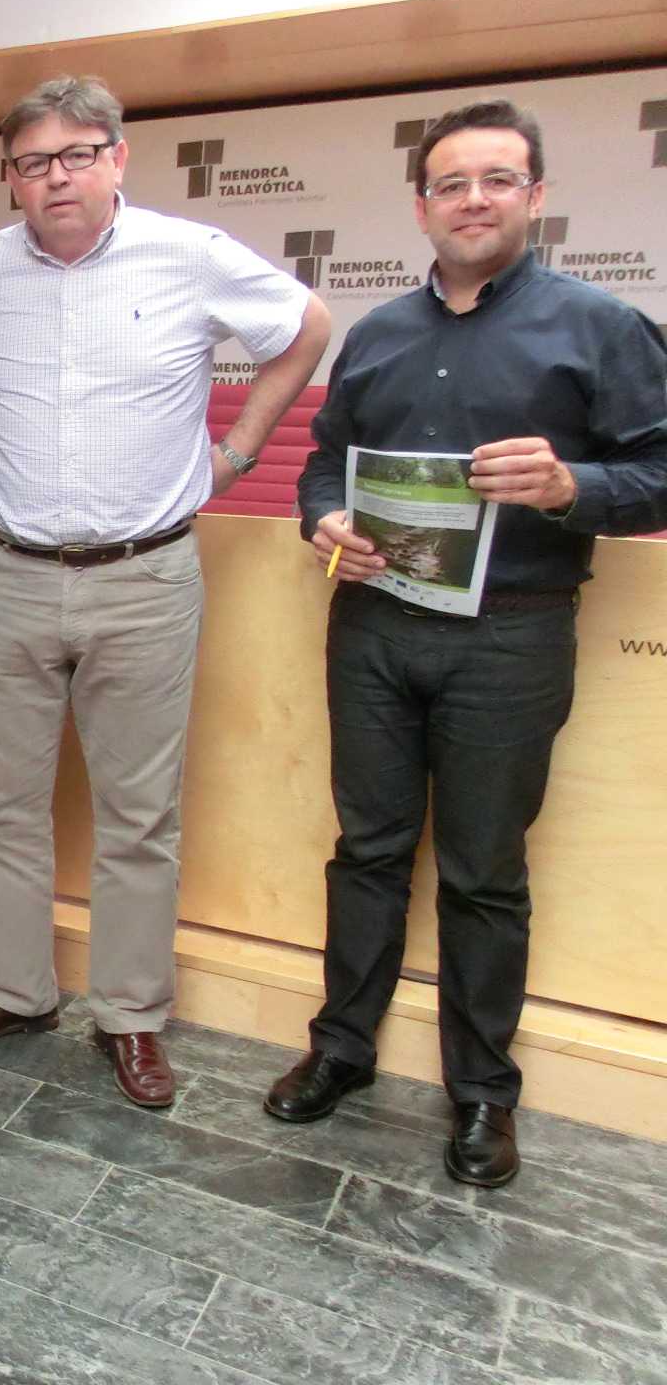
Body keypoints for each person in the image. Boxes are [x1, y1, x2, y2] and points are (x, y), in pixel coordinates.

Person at [0, 76, 332, 1108]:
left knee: (139, 816)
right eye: (33, 162)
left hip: (144, 576)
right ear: (8, 177)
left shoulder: (185, 255)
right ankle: (13, 987)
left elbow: (304, 326)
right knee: (0, 805)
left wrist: (232, 451)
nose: (56, 177)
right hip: (8, 572)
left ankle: (129, 1017)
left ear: (114, 158)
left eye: (76, 153)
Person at [264, 100, 667, 1186]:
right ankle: (339, 1051)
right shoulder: (377, 333)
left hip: (510, 639)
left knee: (484, 875)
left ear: (532, 197)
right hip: (373, 629)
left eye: (496, 179)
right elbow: (319, 466)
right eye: (451, 183)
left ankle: (483, 1096)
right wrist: (323, 523)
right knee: (366, 851)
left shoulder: (599, 328)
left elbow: (659, 475)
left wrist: (570, 485)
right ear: (421, 205)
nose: (472, 198)